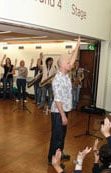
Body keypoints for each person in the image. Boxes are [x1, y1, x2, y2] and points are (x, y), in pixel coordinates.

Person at [47, 36, 81, 166]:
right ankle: (52, 159)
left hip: (64, 110)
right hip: (58, 112)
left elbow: (72, 59)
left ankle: (59, 153)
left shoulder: (65, 74)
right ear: (61, 65)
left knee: (62, 135)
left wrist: (77, 46)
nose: (70, 64)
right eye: (67, 63)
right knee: (57, 136)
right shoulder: (58, 80)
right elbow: (58, 100)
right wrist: (62, 116)